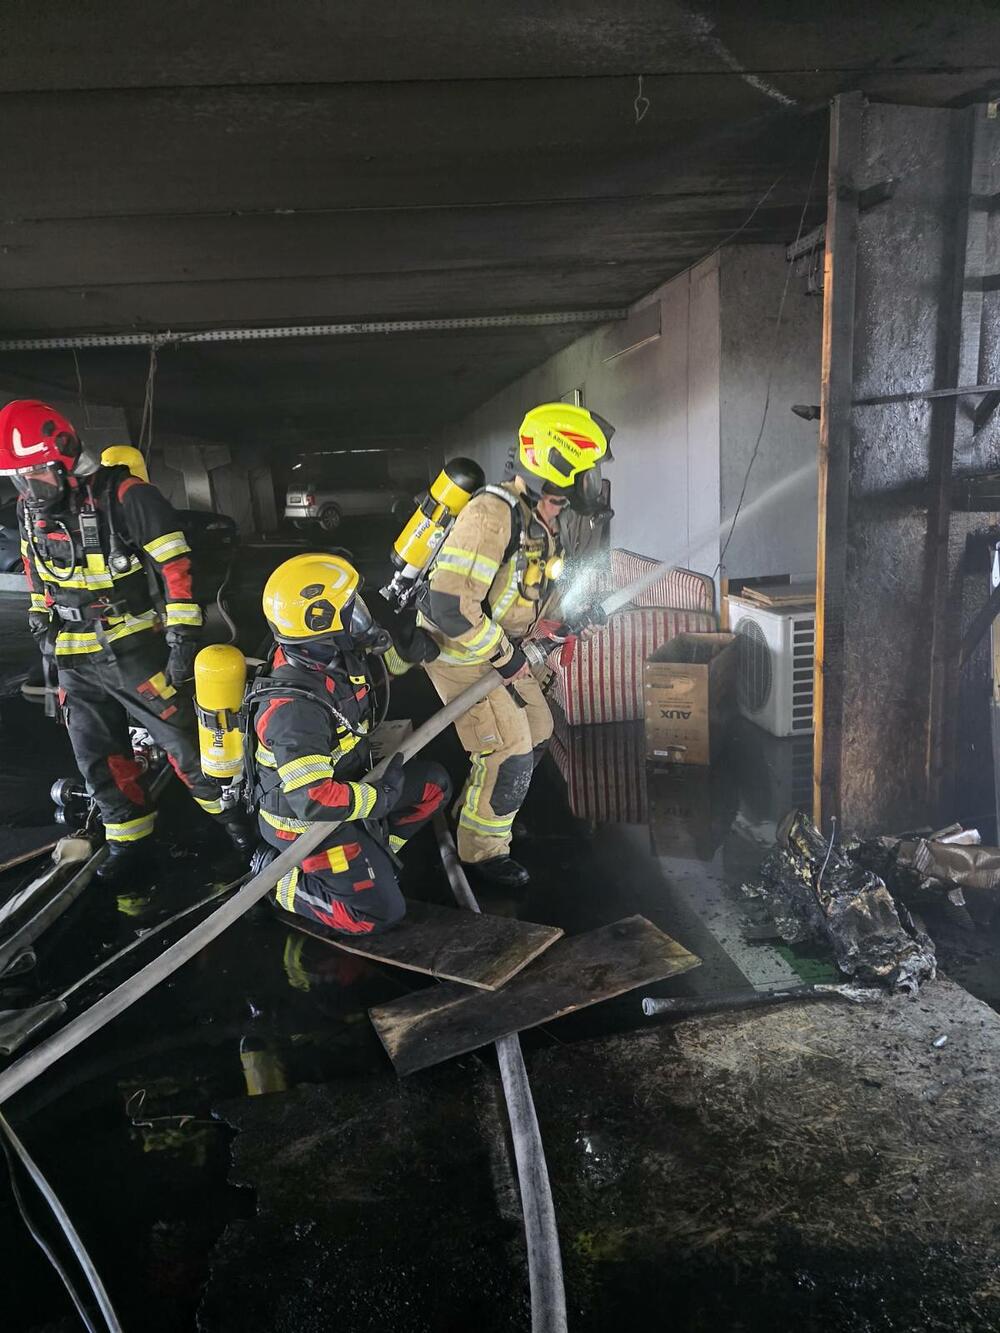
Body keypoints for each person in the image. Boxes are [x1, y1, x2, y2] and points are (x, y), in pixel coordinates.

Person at [0, 399, 249, 883]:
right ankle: (130, 843)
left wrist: (182, 640)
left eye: (35, 473)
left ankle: (241, 831)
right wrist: (39, 619)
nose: (27, 487)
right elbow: (36, 572)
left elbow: (176, 568)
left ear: (65, 458)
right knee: (100, 759)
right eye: (17, 478)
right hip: (74, 659)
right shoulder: (29, 510)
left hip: (136, 653)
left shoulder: (127, 497)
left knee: (188, 750)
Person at [418, 402, 614, 889]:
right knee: (509, 745)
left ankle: (482, 812)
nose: (594, 483)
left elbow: (526, 596)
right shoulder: (492, 514)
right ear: (560, 465)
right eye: (588, 471)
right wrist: (507, 658)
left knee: (540, 726)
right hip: (460, 651)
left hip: (496, 648)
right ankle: (481, 852)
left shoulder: (542, 520)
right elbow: (448, 606)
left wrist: (568, 622)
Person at [252, 551, 451, 935]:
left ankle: (376, 856)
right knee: (379, 915)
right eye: (351, 609)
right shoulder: (294, 709)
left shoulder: (327, 653)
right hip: (306, 825)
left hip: (352, 788)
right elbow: (313, 800)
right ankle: (278, 884)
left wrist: (406, 651)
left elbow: (374, 670)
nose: (361, 615)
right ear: (318, 622)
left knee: (433, 785)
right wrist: (381, 799)